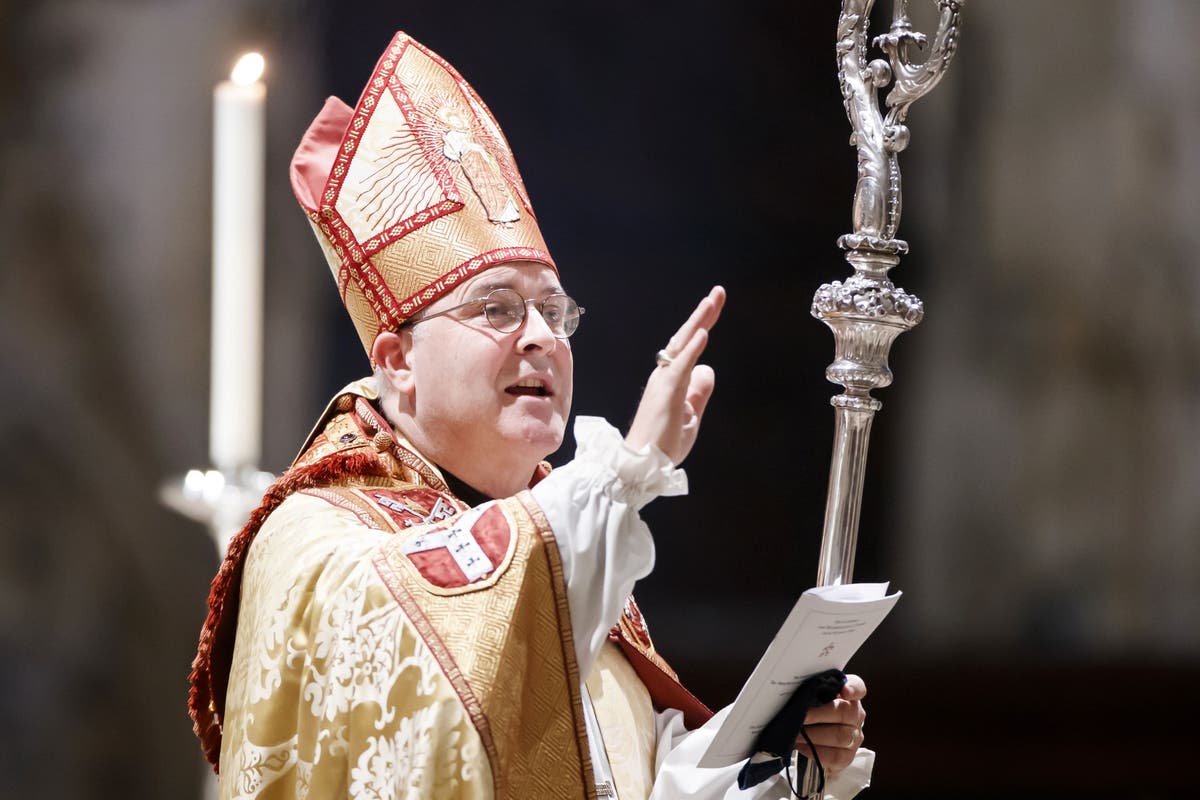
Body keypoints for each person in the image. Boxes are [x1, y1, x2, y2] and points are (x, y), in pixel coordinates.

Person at [189, 31, 872, 799]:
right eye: (498, 308)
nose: (543, 335)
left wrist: (770, 750)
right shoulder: (317, 539)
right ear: (396, 362)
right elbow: (437, 668)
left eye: (553, 309)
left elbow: (627, 779)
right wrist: (620, 476)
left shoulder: (559, 550)